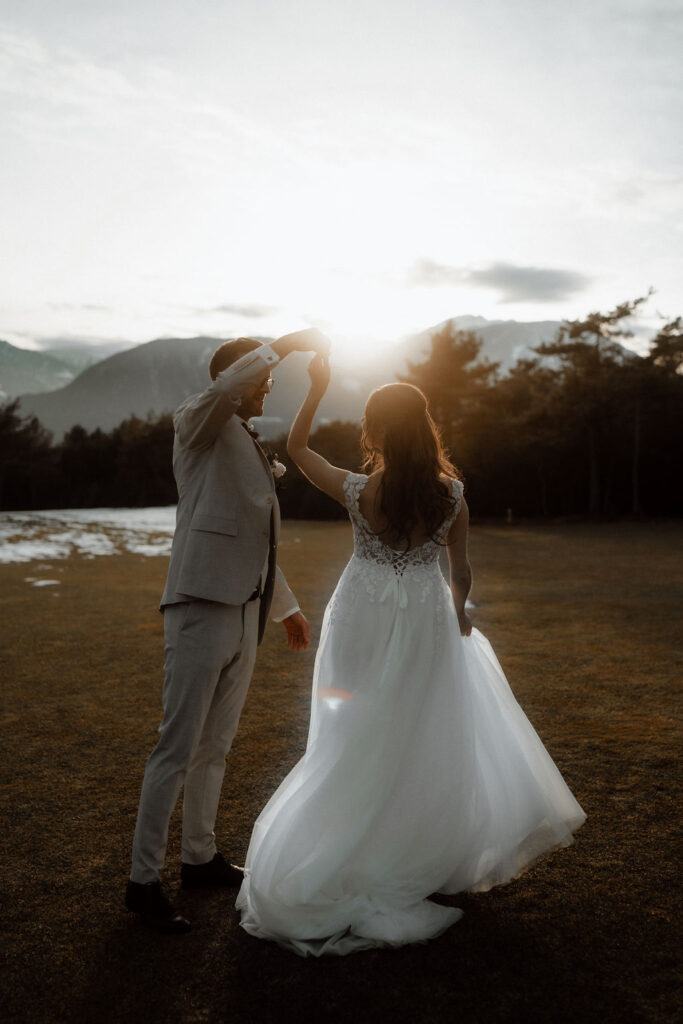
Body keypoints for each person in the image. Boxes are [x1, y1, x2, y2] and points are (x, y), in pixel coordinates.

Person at [236, 355, 586, 956]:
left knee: (352, 734)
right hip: (425, 615)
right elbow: (462, 567)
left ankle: (345, 844)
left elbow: (296, 448)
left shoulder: (356, 488)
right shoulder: (451, 495)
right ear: (425, 428)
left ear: (375, 430)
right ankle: (408, 849)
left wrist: (316, 390)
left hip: (360, 615)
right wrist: (458, 611)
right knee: (416, 732)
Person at [126, 328, 330, 933]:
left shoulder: (244, 436)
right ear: (234, 377)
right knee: (176, 748)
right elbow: (231, 383)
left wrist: (284, 605)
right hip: (197, 606)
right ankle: (142, 883)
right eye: (260, 378)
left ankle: (200, 858)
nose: (268, 385)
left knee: (215, 748)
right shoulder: (198, 418)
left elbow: (256, 540)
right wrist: (284, 344)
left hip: (245, 611)